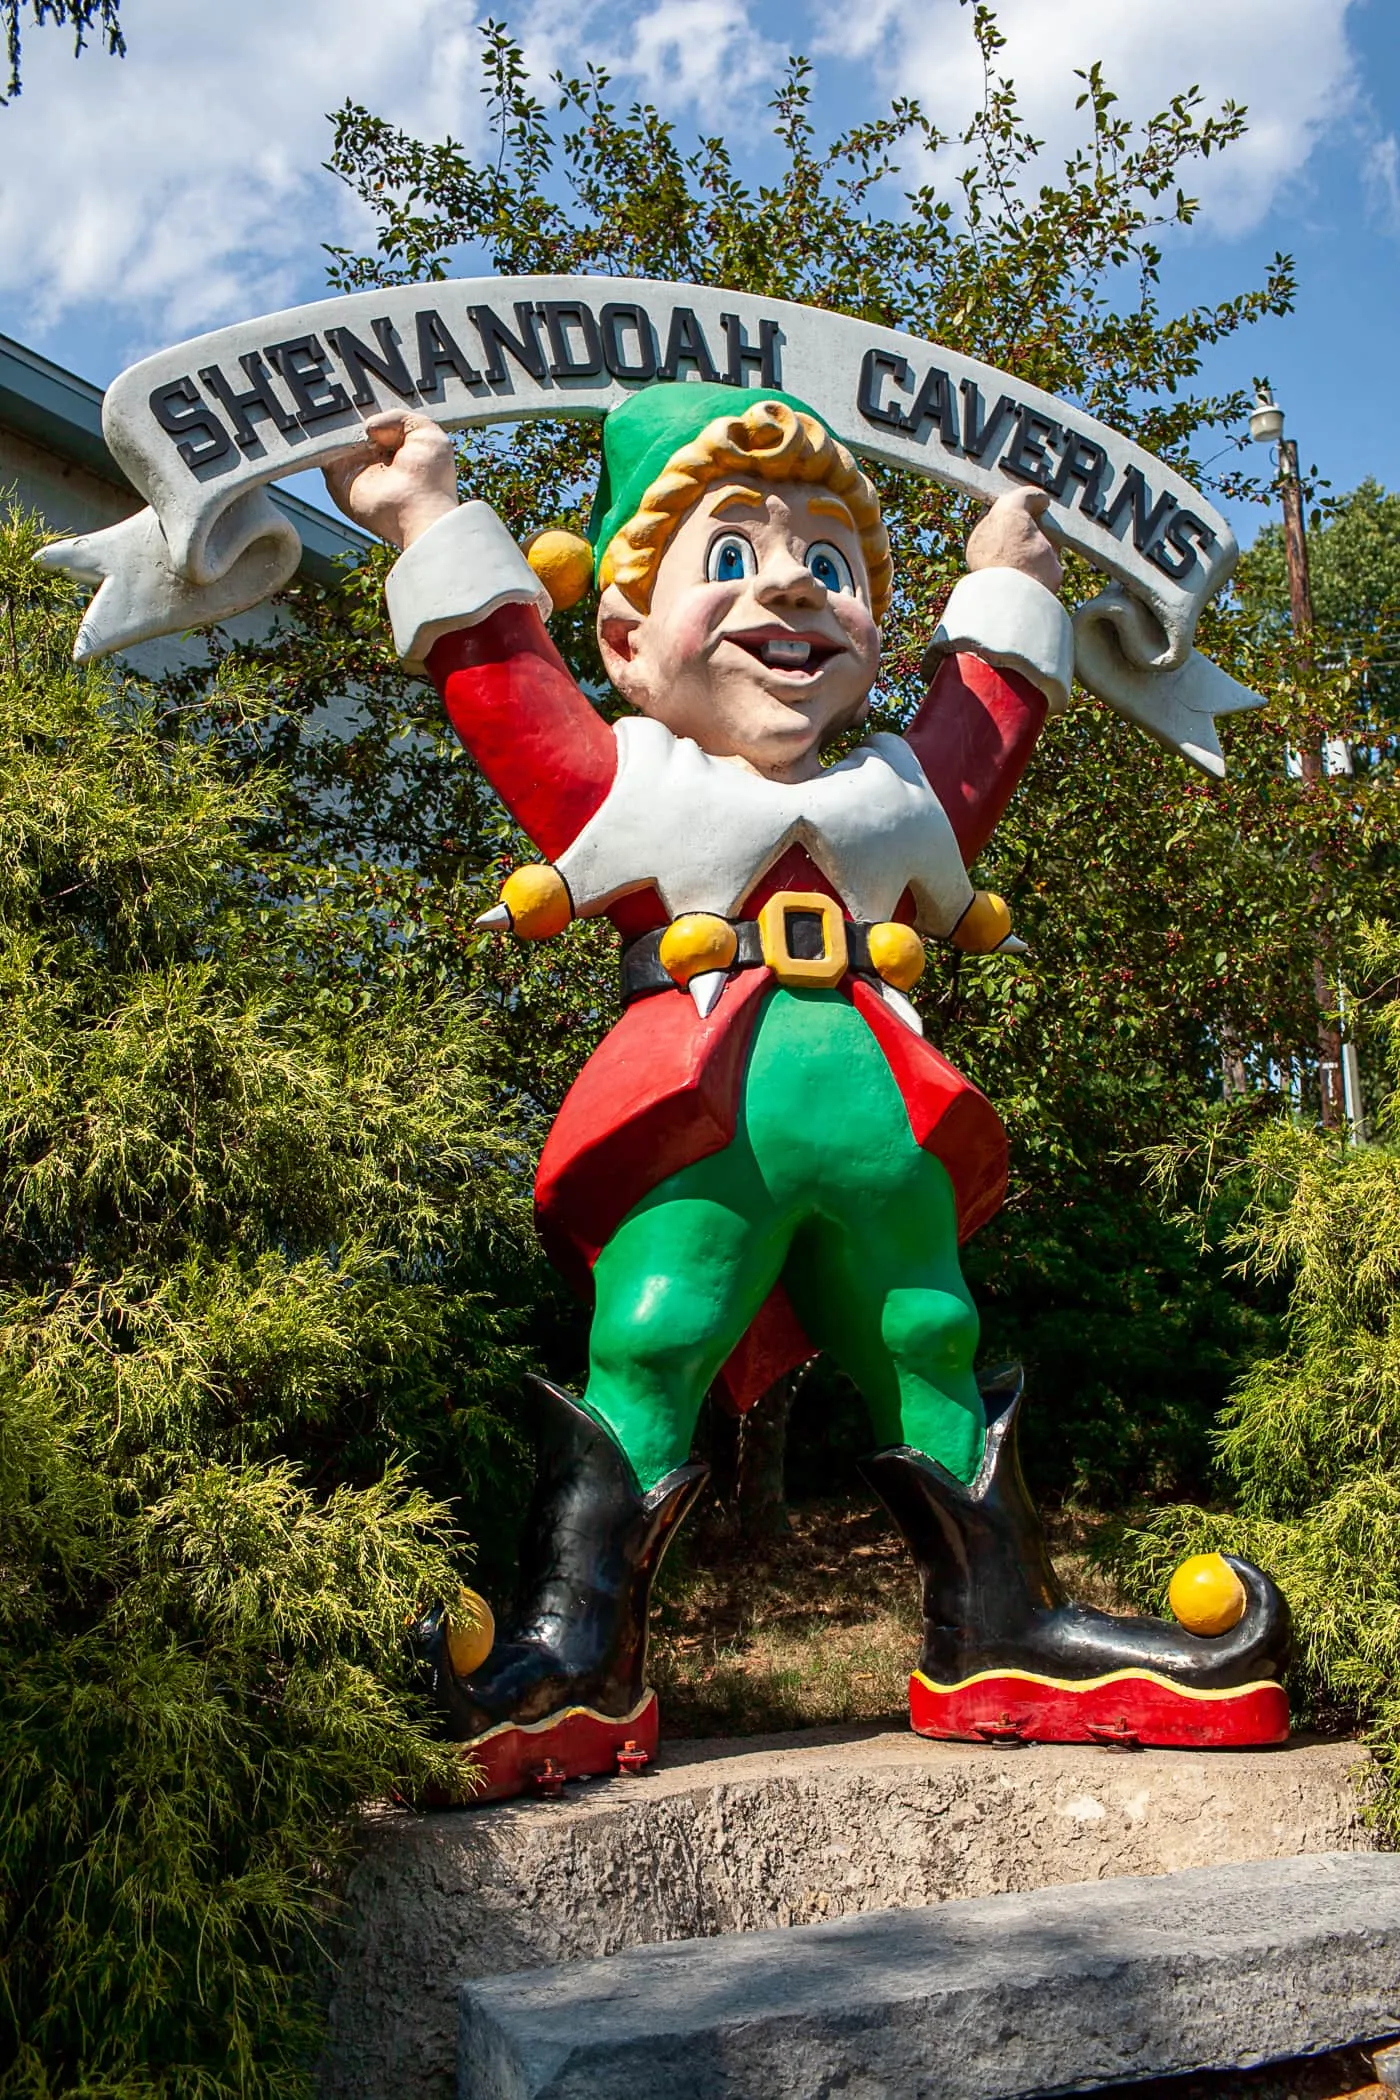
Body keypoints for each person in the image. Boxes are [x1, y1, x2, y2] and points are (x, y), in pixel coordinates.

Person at [326, 382, 1288, 1798]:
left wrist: (1010, 584)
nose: (792, 587)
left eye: (831, 566)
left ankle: (998, 1629)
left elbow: (980, 733)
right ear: (624, 641)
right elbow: (508, 692)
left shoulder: (886, 804)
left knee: (932, 1334)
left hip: (881, 1120)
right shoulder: (633, 787)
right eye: (730, 556)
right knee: (655, 1339)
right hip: (705, 1114)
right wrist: (428, 516)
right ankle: (576, 1648)